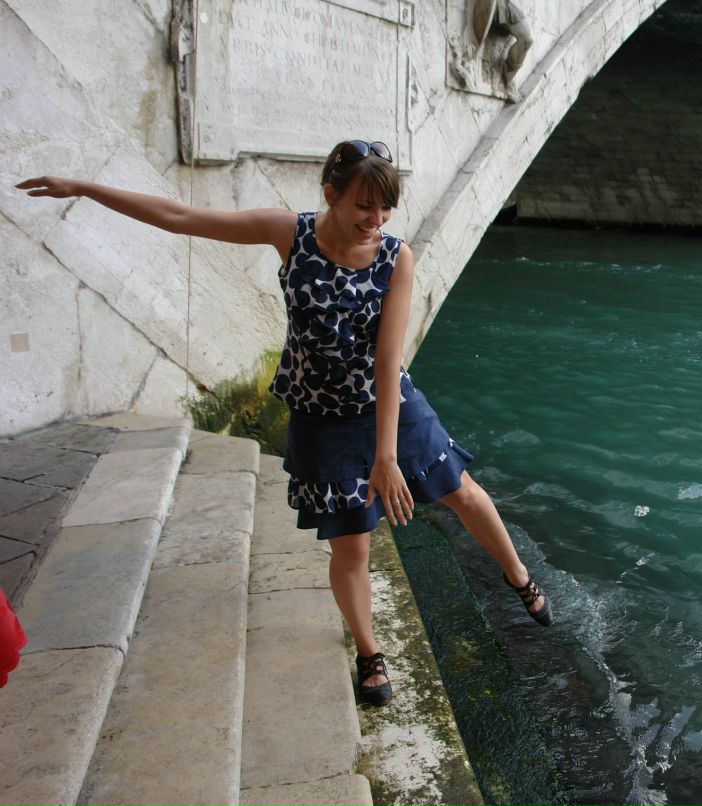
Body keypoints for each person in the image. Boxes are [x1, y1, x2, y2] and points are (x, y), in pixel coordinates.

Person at [17, 139, 552, 706]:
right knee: (351, 549)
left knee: (461, 492)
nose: (376, 220)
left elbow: (388, 361)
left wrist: (386, 455)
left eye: (386, 207)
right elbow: (182, 217)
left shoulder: (397, 257)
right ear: (330, 195)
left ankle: (518, 576)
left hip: (386, 402)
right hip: (320, 417)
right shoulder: (290, 233)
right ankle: (370, 653)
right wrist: (86, 188)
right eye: (363, 206)